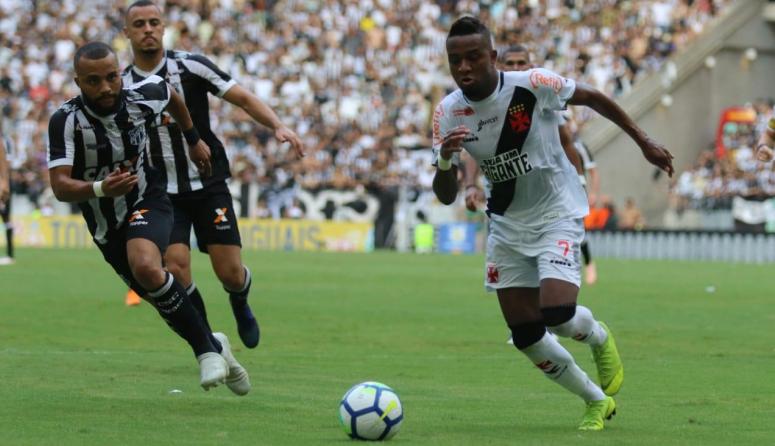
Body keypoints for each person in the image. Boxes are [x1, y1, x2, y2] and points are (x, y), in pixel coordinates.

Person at [432, 17, 674, 431]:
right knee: (525, 333)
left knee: (558, 312)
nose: (465, 68)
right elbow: (445, 194)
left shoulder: (532, 84)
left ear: (492, 57)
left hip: (555, 212)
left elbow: (595, 97)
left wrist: (644, 141)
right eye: (456, 61)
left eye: (473, 57)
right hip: (507, 224)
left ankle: (597, 335)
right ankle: (595, 401)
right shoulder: (448, 112)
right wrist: (443, 161)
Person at [47, 41, 249, 395]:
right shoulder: (65, 120)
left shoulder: (143, 95)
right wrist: (99, 189)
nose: (106, 87)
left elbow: (172, 95)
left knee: (146, 265)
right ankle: (216, 345)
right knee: (163, 298)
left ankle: (205, 352)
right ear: (78, 81)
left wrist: (192, 138)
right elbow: (60, 185)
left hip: (148, 199)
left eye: (111, 77)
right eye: (93, 81)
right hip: (107, 226)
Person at [121, 1, 305, 348]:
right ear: (127, 33)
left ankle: (240, 302)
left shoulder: (190, 66)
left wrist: (278, 125)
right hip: (163, 193)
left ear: (164, 27)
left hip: (207, 184)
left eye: (154, 22)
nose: (148, 29)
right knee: (175, 269)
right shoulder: (123, 85)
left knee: (231, 274)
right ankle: (208, 341)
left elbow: (244, 98)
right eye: (140, 24)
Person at [464, 45, 602, 286]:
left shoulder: (541, 95)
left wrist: (579, 181)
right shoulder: (487, 103)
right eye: (511, 63)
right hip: (507, 206)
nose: (516, 68)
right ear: (499, 66)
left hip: (548, 203)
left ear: (531, 65)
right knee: (521, 305)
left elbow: (567, 142)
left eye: (521, 63)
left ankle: (587, 273)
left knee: (554, 301)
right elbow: (474, 147)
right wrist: (469, 184)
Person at [0, 133, 13, 265]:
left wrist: (4, 182)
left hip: (1, 184)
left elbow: (5, 160)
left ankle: (10, 254)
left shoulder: (4, 141)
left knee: (6, 218)